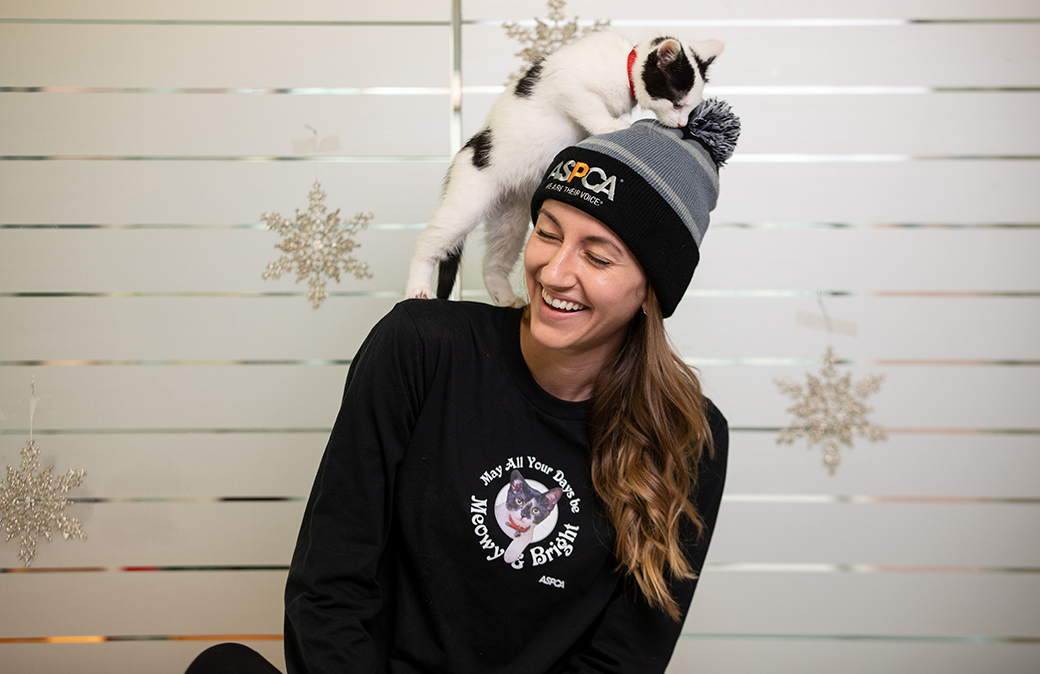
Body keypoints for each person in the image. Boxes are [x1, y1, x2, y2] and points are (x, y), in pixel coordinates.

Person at [186, 103, 736, 674]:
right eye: (546, 233)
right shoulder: (420, 347)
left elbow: (623, 660)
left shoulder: (691, 438)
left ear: (652, 291)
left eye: (597, 256)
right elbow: (329, 585)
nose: (553, 272)